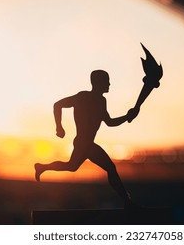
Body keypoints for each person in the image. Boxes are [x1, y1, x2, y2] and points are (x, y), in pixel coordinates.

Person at [34, 70, 140, 208]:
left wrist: (127, 117)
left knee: (71, 166)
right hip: (84, 143)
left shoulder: (102, 101)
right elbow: (57, 105)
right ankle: (127, 202)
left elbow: (109, 122)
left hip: (87, 144)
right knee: (110, 168)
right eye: (106, 81)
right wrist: (59, 127)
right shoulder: (82, 97)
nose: (109, 84)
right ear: (98, 83)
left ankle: (42, 167)